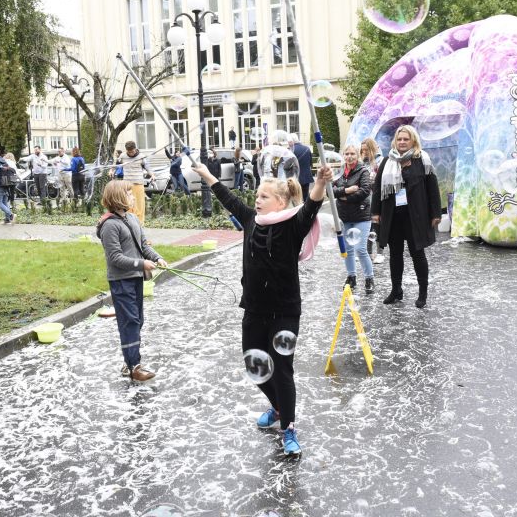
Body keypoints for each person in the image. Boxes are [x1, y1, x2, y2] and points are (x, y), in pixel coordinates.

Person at [193, 159, 334, 457]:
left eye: (264, 197)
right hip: (254, 310)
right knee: (253, 365)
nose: (256, 201)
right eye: (257, 196)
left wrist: (320, 182)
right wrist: (206, 174)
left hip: (284, 311)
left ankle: (289, 428)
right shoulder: (249, 220)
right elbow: (227, 197)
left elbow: (311, 206)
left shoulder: (293, 225)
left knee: (282, 370)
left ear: (280, 202)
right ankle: (279, 407)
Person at [96, 180, 168, 382]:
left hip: (135, 279)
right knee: (130, 322)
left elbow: (143, 245)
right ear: (117, 198)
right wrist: (141, 264)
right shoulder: (109, 225)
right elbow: (115, 258)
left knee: (137, 321)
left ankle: (129, 362)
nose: (132, 197)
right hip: (121, 281)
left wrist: (156, 257)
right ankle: (134, 366)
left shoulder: (132, 219)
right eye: (128, 194)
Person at [371, 125, 441, 309]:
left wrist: (435, 213)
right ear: (395, 141)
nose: (402, 142)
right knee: (395, 255)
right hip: (392, 216)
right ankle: (396, 290)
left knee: (418, 254)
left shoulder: (422, 159)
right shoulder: (387, 161)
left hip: (415, 216)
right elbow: (378, 189)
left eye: (406, 139)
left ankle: (422, 293)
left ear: (413, 141)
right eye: (399, 139)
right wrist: (375, 213)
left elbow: (432, 187)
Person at [334, 144, 375, 294]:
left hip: (361, 216)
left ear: (357, 155)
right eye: (346, 154)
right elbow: (330, 191)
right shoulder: (339, 172)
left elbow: (365, 191)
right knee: (348, 250)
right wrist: (347, 190)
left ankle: (369, 278)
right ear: (343, 155)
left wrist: (343, 197)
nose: (349, 156)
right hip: (344, 217)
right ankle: (351, 277)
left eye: (352, 153)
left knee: (360, 249)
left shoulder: (363, 171)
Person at [360, 137, 385, 265]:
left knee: (378, 225)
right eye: (362, 150)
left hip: (377, 197)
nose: (364, 153)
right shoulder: (362, 163)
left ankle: (380, 253)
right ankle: (369, 253)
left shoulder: (380, 161)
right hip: (365, 199)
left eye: (366, 150)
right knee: (368, 227)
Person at [117, 141, 154, 225]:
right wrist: (111, 170)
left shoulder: (141, 156)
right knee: (127, 203)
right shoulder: (122, 156)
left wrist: (152, 175)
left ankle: (140, 223)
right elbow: (117, 165)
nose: (131, 153)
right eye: (129, 152)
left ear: (135, 149)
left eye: (132, 151)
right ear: (126, 150)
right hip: (126, 184)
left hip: (138, 183)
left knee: (139, 204)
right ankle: (129, 222)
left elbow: (148, 167)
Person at [288, 134, 315, 201]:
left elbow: (287, 165)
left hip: (295, 178)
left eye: (288, 141)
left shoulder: (290, 151)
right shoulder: (307, 149)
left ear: (292, 141)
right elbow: (310, 163)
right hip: (306, 177)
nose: (288, 143)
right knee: (305, 197)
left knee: (296, 198)